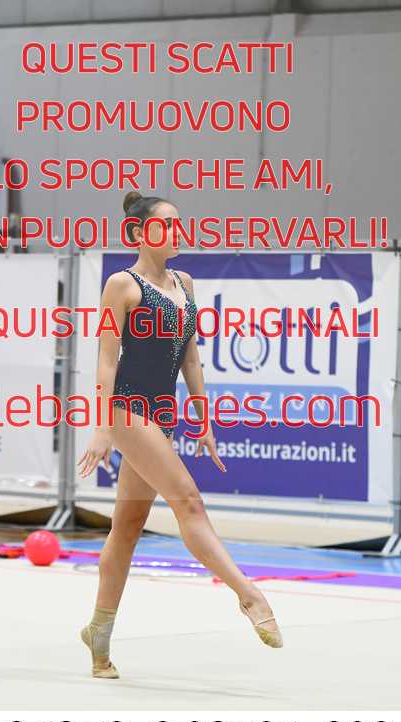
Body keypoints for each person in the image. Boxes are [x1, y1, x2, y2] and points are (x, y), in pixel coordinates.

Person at [78, 191, 283, 679]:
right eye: (165, 225)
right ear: (139, 233)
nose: (176, 232)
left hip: (162, 414)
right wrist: (103, 427)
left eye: (178, 224)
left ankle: (99, 633)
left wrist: (203, 417)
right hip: (128, 410)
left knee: (127, 527)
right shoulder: (121, 285)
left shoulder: (184, 283)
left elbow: (190, 356)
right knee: (188, 500)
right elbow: (106, 360)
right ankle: (249, 595)